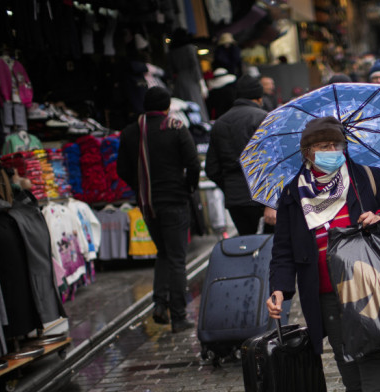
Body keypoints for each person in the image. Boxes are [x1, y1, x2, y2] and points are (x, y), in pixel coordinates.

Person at [266, 116, 380, 391]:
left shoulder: (367, 178)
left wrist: (379, 216)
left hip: (367, 285)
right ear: (307, 152)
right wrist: (279, 288)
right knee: (347, 363)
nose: (331, 152)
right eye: (322, 146)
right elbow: (283, 249)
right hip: (325, 294)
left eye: (335, 145)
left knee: (371, 357)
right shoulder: (293, 195)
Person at [117, 86, 201, 333]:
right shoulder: (175, 128)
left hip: (148, 204)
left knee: (163, 253)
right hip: (175, 201)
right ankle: (178, 316)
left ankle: (159, 305)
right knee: (176, 258)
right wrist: (188, 187)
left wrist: (140, 186)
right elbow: (193, 164)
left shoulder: (131, 133)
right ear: (166, 108)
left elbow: (121, 170)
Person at [205, 74, 275, 235]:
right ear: (259, 98)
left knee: (246, 247)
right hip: (263, 198)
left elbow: (212, 169)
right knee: (273, 248)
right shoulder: (263, 118)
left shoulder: (220, 123)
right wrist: (271, 202)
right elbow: (274, 161)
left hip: (235, 200)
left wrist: (230, 187)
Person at [167, 28, 209, 122]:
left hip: (179, 82)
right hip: (191, 79)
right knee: (196, 104)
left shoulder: (171, 52)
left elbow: (170, 70)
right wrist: (202, 83)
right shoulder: (189, 48)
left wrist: (172, 83)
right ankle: (202, 125)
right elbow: (195, 66)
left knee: (184, 107)